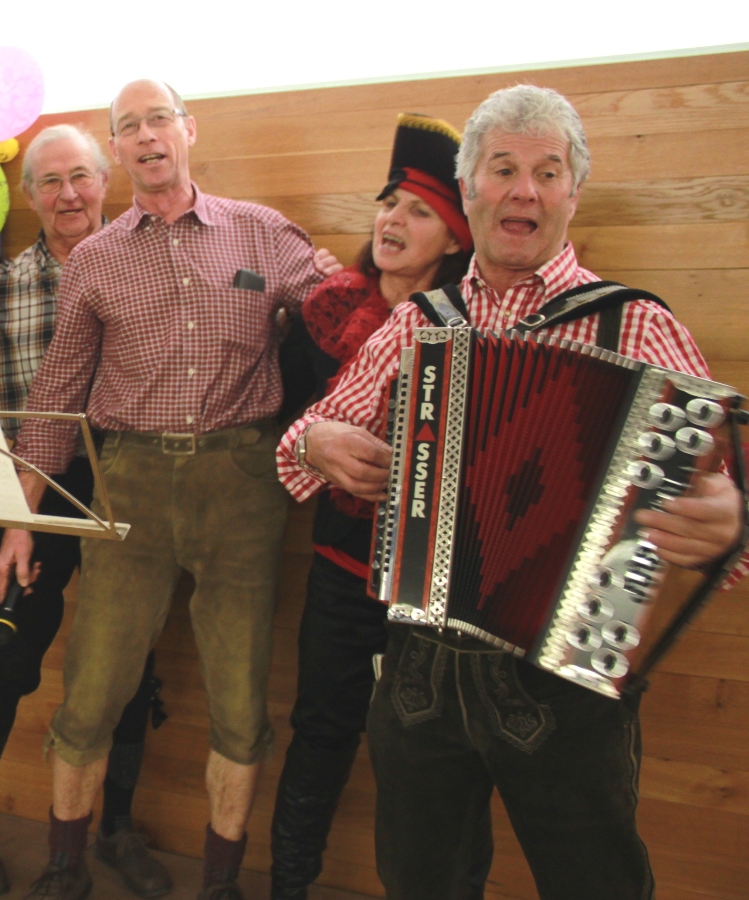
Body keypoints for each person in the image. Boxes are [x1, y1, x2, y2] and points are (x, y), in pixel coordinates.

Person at [278, 84, 745, 900]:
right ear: (469, 190)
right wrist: (318, 442)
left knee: (594, 884)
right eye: (501, 169)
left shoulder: (633, 324)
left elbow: (724, 488)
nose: (523, 190)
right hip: (421, 668)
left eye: (546, 172)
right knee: (420, 882)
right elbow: (302, 439)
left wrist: (732, 516)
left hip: (569, 674)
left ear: (572, 193)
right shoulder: (420, 322)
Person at [0, 79, 338, 900]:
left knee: (240, 700)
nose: (147, 135)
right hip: (131, 488)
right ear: (117, 151)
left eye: (159, 120)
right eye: (129, 126)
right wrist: (18, 521)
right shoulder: (96, 260)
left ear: (188, 130)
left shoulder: (261, 232)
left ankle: (220, 884)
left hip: (243, 485)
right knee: (90, 692)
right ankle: (64, 870)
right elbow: (55, 395)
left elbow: (344, 315)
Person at [269, 113, 489, 900]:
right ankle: (288, 886)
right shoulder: (324, 314)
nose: (392, 220)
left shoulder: (479, 325)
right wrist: (317, 443)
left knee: (435, 753)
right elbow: (283, 433)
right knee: (320, 730)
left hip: (437, 584)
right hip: (341, 565)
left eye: (419, 210)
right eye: (388, 202)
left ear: (456, 237)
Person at [0, 123, 172, 899]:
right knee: (6, 657)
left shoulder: (153, 264)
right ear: (29, 196)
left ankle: (114, 828)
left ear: (104, 181)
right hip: (33, 494)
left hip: (130, 488)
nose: (68, 194)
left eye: (80, 175)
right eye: (48, 181)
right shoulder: (0, 286)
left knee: (129, 668)